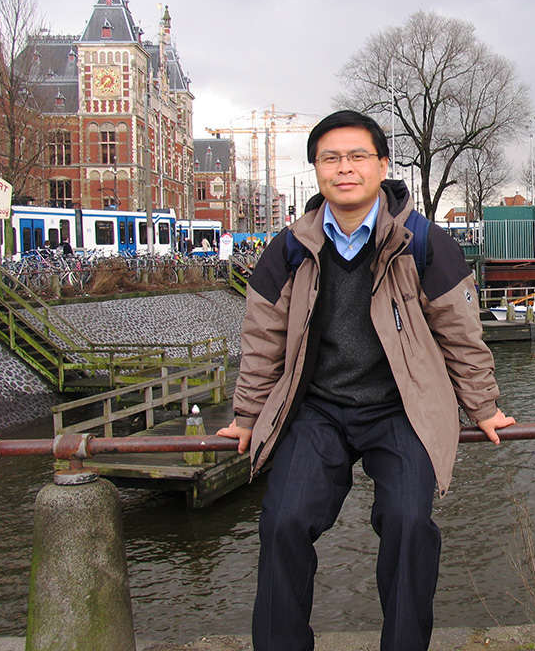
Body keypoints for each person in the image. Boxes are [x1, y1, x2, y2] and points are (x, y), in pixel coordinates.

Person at [217, 109, 513, 651]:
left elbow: (460, 332)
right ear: (316, 169)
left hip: (400, 406)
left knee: (408, 523)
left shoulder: (422, 243)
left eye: (358, 156)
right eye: (331, 158)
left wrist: (483, 405)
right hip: (318, 408)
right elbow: (263, 338)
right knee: (282, 521)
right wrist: (246, 415)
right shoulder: (289, 248)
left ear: (382, 165)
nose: (345, 168)